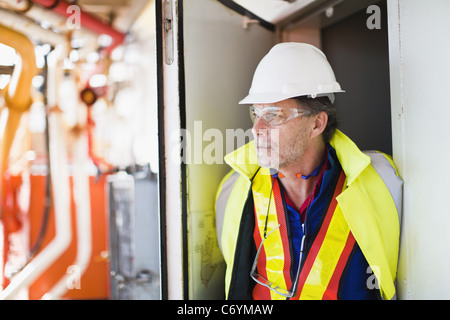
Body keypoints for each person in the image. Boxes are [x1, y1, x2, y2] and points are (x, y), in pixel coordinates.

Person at [215, 42, 402, 300]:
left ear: (316, 124)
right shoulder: (234, 190)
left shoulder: (381, 182)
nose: (256, 129)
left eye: (273, 114)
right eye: (255, 113)